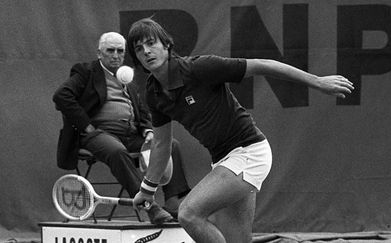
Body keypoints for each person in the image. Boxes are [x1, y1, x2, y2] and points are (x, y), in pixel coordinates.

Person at [128, 18, 354, 243]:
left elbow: (261, 64)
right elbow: (161, 144)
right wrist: (147, 189)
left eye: (151, 43)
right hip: (223, 162)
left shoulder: (199, 68)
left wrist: (317, 81)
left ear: (166, 45)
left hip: (249, 153)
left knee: (189, 213)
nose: (147, 52)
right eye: (139, 49)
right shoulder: (153, 93)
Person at [52, 32, 190, 224]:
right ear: (99, 53)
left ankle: (173, 203)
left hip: (130, 134)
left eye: (120, 51)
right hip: (98, 134)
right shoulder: (85, 72)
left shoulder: (127, 78)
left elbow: (142, 112)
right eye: (110, 50)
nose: (116, 55)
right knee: (117, 151)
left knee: (170, 144)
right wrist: (87, 126)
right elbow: (61, 96)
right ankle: (150, 207)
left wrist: (148, 131)